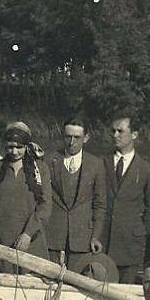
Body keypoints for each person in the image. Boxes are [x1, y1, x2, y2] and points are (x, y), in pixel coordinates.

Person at [0, 121, 52, 272]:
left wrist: (28, 234)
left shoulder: (40, 170)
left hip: (30, 241)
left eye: (19, 147)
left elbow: (45, 205)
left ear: (27, 146)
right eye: (10, 147)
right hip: (0, 239)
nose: (14, 151)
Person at [101, 113, 150, 284]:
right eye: (113, 131)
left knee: (125, 295)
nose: (115, 135)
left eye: (120, 131)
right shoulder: (100, 164)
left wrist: (139, 231)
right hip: (100, 242)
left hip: (129, 245)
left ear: (134, 134)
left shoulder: (146, 170)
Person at [45, 115, 108, 269]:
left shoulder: (97, 165)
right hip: (52, 236)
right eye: (68, 137)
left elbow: (100, 205)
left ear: (86, 138)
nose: (71, 142)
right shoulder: (48, 160)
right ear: (62, 135)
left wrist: (95, 236)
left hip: (82, 238)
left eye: (77, 137)